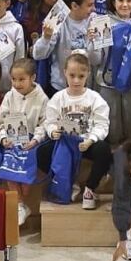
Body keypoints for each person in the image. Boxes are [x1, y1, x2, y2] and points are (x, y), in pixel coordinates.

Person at [42, 53, 111, 210]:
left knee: (104, 150)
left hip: (86, 143)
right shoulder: (58, 98)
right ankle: (67, 181)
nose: (76, 81)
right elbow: (50, 121)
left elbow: (102, 124)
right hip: (65, 143)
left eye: (81, 76)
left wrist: (91, 139)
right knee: (42, 153)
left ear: (88, 74)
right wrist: (53, 131)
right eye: (72, 75)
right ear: (64, 72)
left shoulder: (95, 98)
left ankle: (90, 189)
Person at [0, 57, 48, 225]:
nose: (17, 84)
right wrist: (4, 138)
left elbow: (45, 123)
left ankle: (23, 202)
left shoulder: (42, 98)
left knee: (26, 177)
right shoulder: (9, 96)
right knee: (8, 162)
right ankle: (19, 205)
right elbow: (2, 122)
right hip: (12, 140)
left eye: (21, 79)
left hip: (32, 141)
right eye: (14, 79)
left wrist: (36, 140)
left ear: (32, 78)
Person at [97, 0, 131, 145]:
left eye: (129, 0)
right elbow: (95, 60)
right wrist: (93, 43)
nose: (125, 4)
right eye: (121, 0)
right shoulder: (102, 24)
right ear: (113, 2)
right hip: (107, 83)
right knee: (112, 131)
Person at [32, 0, 96, 91]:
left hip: (86, 86)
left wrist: (92, 43)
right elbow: (37, 55)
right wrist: (46, 38)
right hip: (60, 85)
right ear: (74, 6)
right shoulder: (56, 18)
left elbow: (97, 60)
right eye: (89, 5)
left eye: (93, 4)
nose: (94, 9)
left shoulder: (96, 20)